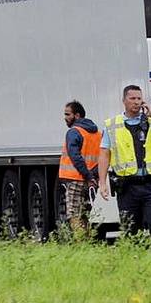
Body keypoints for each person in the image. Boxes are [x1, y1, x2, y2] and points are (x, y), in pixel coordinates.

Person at [98, 85, 151, 241]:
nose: (136, 102)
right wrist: (102, 182)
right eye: (132, 98)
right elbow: (104, 154)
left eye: (139, 98)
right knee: (130, 230)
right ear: (124, 101)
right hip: (127, 186)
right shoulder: (112, 125)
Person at [58, 100, 101, 235]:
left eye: (67, 114)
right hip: (91, 180)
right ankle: (88, 240)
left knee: (73, 214)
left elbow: (75, 156)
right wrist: (92, 176)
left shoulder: (74, 132)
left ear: (77, 115)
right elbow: (103, 156)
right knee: (85, 213)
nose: (65, 118)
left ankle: (82, 242)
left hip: (76, 178)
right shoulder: (97, 133)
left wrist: (87, 175)